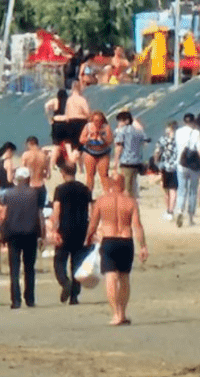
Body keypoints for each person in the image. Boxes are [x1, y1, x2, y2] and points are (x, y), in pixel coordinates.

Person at [86, 174, 148, 326]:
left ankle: (116, 314)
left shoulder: (101, 201)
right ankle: (123, 313)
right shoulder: (131, 202)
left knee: (111, 277)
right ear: (123, 184)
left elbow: (93, 224)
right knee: (124, 278)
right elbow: (137, 226)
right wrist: (143, 246)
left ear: (110, 184)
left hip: (109, 240)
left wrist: (87, 238)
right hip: (126, 241)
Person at [0, 166, 44, 308]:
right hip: (30, 234)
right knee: (30, 268)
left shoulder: (8, 194)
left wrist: (2, 234)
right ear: (28, 178)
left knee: (15, 268)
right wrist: (42, 234)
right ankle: (30, 299)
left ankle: (16, 300)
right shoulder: (35, 193)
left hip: (13, 234)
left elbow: (3, 216)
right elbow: (40, 215)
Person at [51, 161, 92, 305]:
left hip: (65, 228)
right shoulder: (85, 189)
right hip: (81, 229)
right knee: (77, 263)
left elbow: (56, 210)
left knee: (59, 261)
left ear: (63, 173)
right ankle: (74, 296)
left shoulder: (60, 190)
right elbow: (90, 210)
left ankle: (65, 282)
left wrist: (54, 229)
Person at [174, 113, 200, 227]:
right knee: (192, 191)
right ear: (193, 121)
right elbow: (199, 149)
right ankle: (190, 217)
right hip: (193, 165)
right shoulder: (196, 133)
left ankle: (180, 210)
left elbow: (177, 146)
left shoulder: (178, 132)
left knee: (181, 189)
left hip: (181, 163)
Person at [113, 111, 149, 199]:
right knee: (134, 183)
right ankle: (134, 201)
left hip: (126, 161)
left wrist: (115, 162)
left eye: (121, 121)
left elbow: (119, 147)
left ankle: (128, 205)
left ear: (126, 121)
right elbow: (145, 142)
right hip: (137, 161)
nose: (119, 123)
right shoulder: (138, 132)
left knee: (127, 186)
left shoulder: (122, 132)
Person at [79, 111, 113, 194]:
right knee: (90, 175)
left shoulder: (106, 127)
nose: (97, 123)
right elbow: (81, 139)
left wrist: (102, 137)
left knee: (104, 175)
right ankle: (89, 195)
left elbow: (110, 141)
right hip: (90, 152)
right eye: (95, 120)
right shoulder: (88, 127)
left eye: (99, 121)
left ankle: (106, 195)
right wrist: (90, 138)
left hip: (103, 152)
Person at [154, 121, 179, 220]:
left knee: (166, 190)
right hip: (176, 166)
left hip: (165, 166)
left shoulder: (163, 139)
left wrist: (156, 162)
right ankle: (171, 211)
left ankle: (169, 209)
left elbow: (157, 152)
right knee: (173, 189)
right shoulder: (179, 139)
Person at [64, 81, 92, 163]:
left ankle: (72, 159)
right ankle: (80, 165)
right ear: (80, 88)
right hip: (81, 122)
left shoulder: (69, 100)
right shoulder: (82, 100)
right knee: (82, 145)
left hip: (70, 122)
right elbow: (87, 112)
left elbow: (66, 113)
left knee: (72, 143)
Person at [20, 136, 52, 209]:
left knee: (29, 212)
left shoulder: (26, 155)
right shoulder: (44, 156)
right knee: (40, 211)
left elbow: (23, 173)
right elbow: (48, 175)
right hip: (41, 186)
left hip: (30, 187)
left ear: (30, 143)